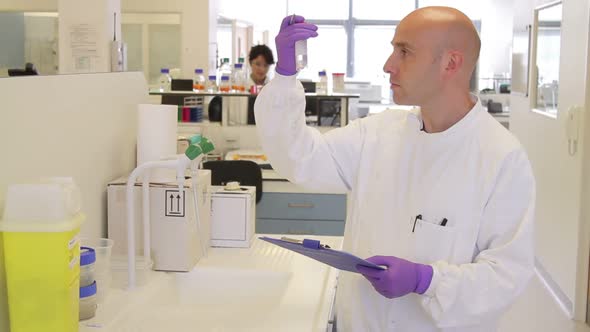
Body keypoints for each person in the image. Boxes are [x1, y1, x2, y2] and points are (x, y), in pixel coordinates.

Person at [254, 6, 535, 332]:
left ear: (450, 63)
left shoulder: (502, 157)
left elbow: (506, 276)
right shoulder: (377, 134)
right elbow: (299, 158)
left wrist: (427, 280)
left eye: (404, 52)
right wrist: (286, 76)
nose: (389, 66)